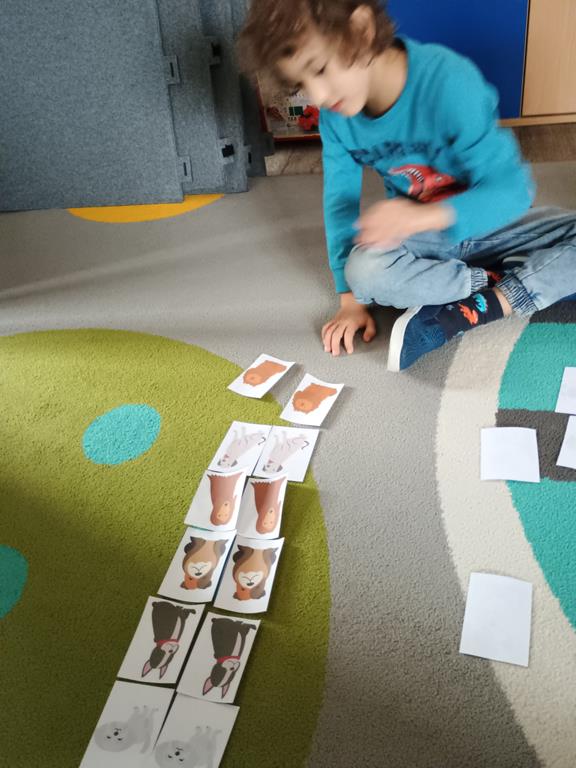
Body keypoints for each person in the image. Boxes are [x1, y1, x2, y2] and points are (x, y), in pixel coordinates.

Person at [238, 0, 576, 370]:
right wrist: (350, 299)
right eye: (302, 84)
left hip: (497, 226)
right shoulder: (336, 120)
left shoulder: (449, 81)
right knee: (364, 270)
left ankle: (489, 304)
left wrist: (421, 217)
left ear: (361, 30)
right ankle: (496, 280)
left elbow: (513, 191)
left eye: (319, 69)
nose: (317, 96)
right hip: (426, 245)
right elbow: (340, 203)